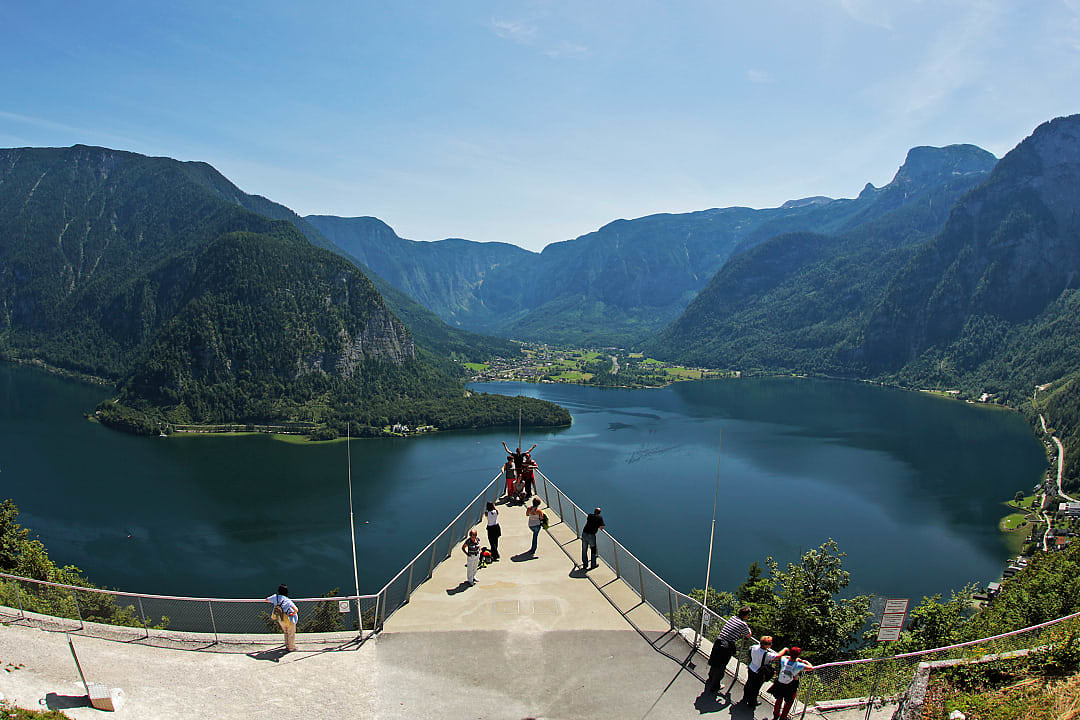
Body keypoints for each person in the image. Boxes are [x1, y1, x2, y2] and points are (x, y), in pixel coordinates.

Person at [705, 607, 752, 697]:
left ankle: (711, 678)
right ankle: (715, 686)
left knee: (714, 661)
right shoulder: (743, 624)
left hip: (718, 641)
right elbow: (748, 635)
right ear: (746, 616)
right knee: (721, 667)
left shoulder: (733, 618)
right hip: (726, 646)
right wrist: (748, 628)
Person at [768, 646, 814, 720]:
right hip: (790, 685)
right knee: (789, 702)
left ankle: (775, 715)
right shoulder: (799, 665)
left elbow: (783, 657)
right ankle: (783, 717)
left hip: (780, 683)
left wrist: (789, 657)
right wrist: (805, 661)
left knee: (778, 700)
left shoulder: (783, 660)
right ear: (798, 655)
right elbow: (811, 668)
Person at [743, 636, 786, 706]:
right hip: (758, 672)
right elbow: (777, 656)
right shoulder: (766, 654)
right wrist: (785, 649)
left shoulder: (754, 647)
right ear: (766, 645)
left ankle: (745, 697)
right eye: (770, 643)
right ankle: (752, 702)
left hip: (751, 668)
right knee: (756, 688)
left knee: (748, 684)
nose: (771, 644)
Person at [266, 584, 299, 652]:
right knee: (291, 633)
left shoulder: (275, 597)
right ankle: (291, 648)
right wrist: (292, 614)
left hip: (280, 618)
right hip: (289, 619)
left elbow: (267, 600)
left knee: (286, 631)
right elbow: (296, 609)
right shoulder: (287, 600)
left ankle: (287, 645)